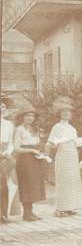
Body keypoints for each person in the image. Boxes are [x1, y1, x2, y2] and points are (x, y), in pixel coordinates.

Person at [46, 96, 82, 218]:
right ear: (59, 114)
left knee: (72, 181)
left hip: (72, 155)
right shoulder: (57, 127)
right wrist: (47, 157)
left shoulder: (72, 128)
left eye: (68, 112)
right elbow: (50, 142)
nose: (66, 114)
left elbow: (75, 143)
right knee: (63, 181)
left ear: (71, 114)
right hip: (63, 155)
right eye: (63, 112)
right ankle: (61, 209)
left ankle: (70, 207)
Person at [13, 104, 46, 222]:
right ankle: (26, 213)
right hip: (24, 160)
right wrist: (31, 150)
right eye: (28, 116)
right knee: (26, 185)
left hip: (34, 159)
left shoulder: (34, 130)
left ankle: (30, 211)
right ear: (22, 117)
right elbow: (16, 148)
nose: (30, 118)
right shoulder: (19, 130)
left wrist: (39, 151)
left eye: (32, 116)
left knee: (33, 185)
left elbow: (37, 143)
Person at [0, 95, 15, 224]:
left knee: (3, 185)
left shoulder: (8, 124)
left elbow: (11, 142)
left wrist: (7, 152)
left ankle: (3, 214)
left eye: (3, 106)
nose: (1, 108)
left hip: (4, 156)